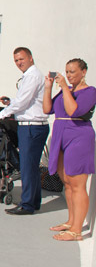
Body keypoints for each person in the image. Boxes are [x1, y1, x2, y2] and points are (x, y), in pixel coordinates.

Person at [43, 58, 95, 241]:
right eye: (67, 71)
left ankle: (77, 231)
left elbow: (74, 111)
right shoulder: (67, 91)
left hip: (79, 137)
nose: (69, 75)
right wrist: (49, 87)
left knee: (77, 184)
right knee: (67, 182)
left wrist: (65, 87)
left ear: (83, 72)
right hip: (61, 136)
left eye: (73, 71)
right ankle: (71, 222)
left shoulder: (90, 92)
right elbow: (47, 109)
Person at [0, 47, 50, 216]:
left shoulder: (32, 76)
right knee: (31, 167)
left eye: (21, 59)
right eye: (16, 60)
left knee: (27, 167)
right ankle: (34, 201)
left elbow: (23, 102)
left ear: (31, 58)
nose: (19, 63)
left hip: (32, 127)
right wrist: (11, 102)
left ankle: (27, 205)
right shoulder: (31, 76)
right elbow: (27, 101)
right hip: (32, 126)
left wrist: (2, 114)